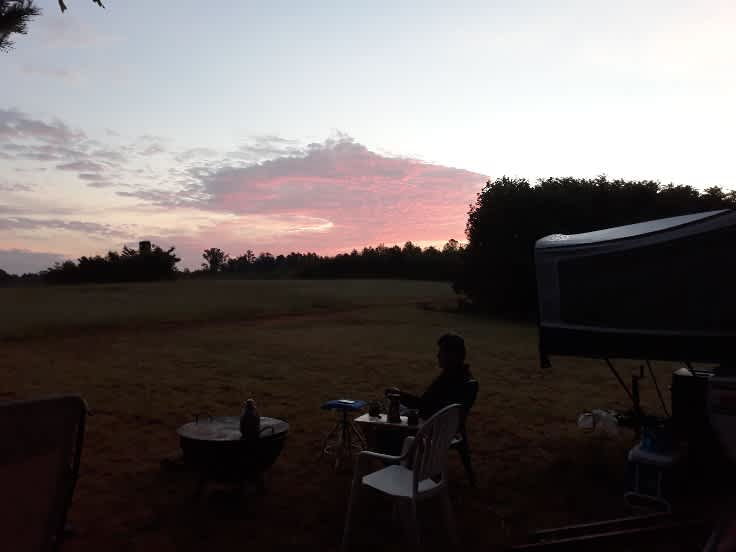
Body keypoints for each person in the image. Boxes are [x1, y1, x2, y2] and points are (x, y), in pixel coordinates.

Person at [386, 333, 475, 420]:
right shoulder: (463, 377)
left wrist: (400, 396)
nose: (438, 355)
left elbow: (425, 407)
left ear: (453, 355)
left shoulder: (452, 379)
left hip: (428, 429)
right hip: (442, 428)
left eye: (442, 351)